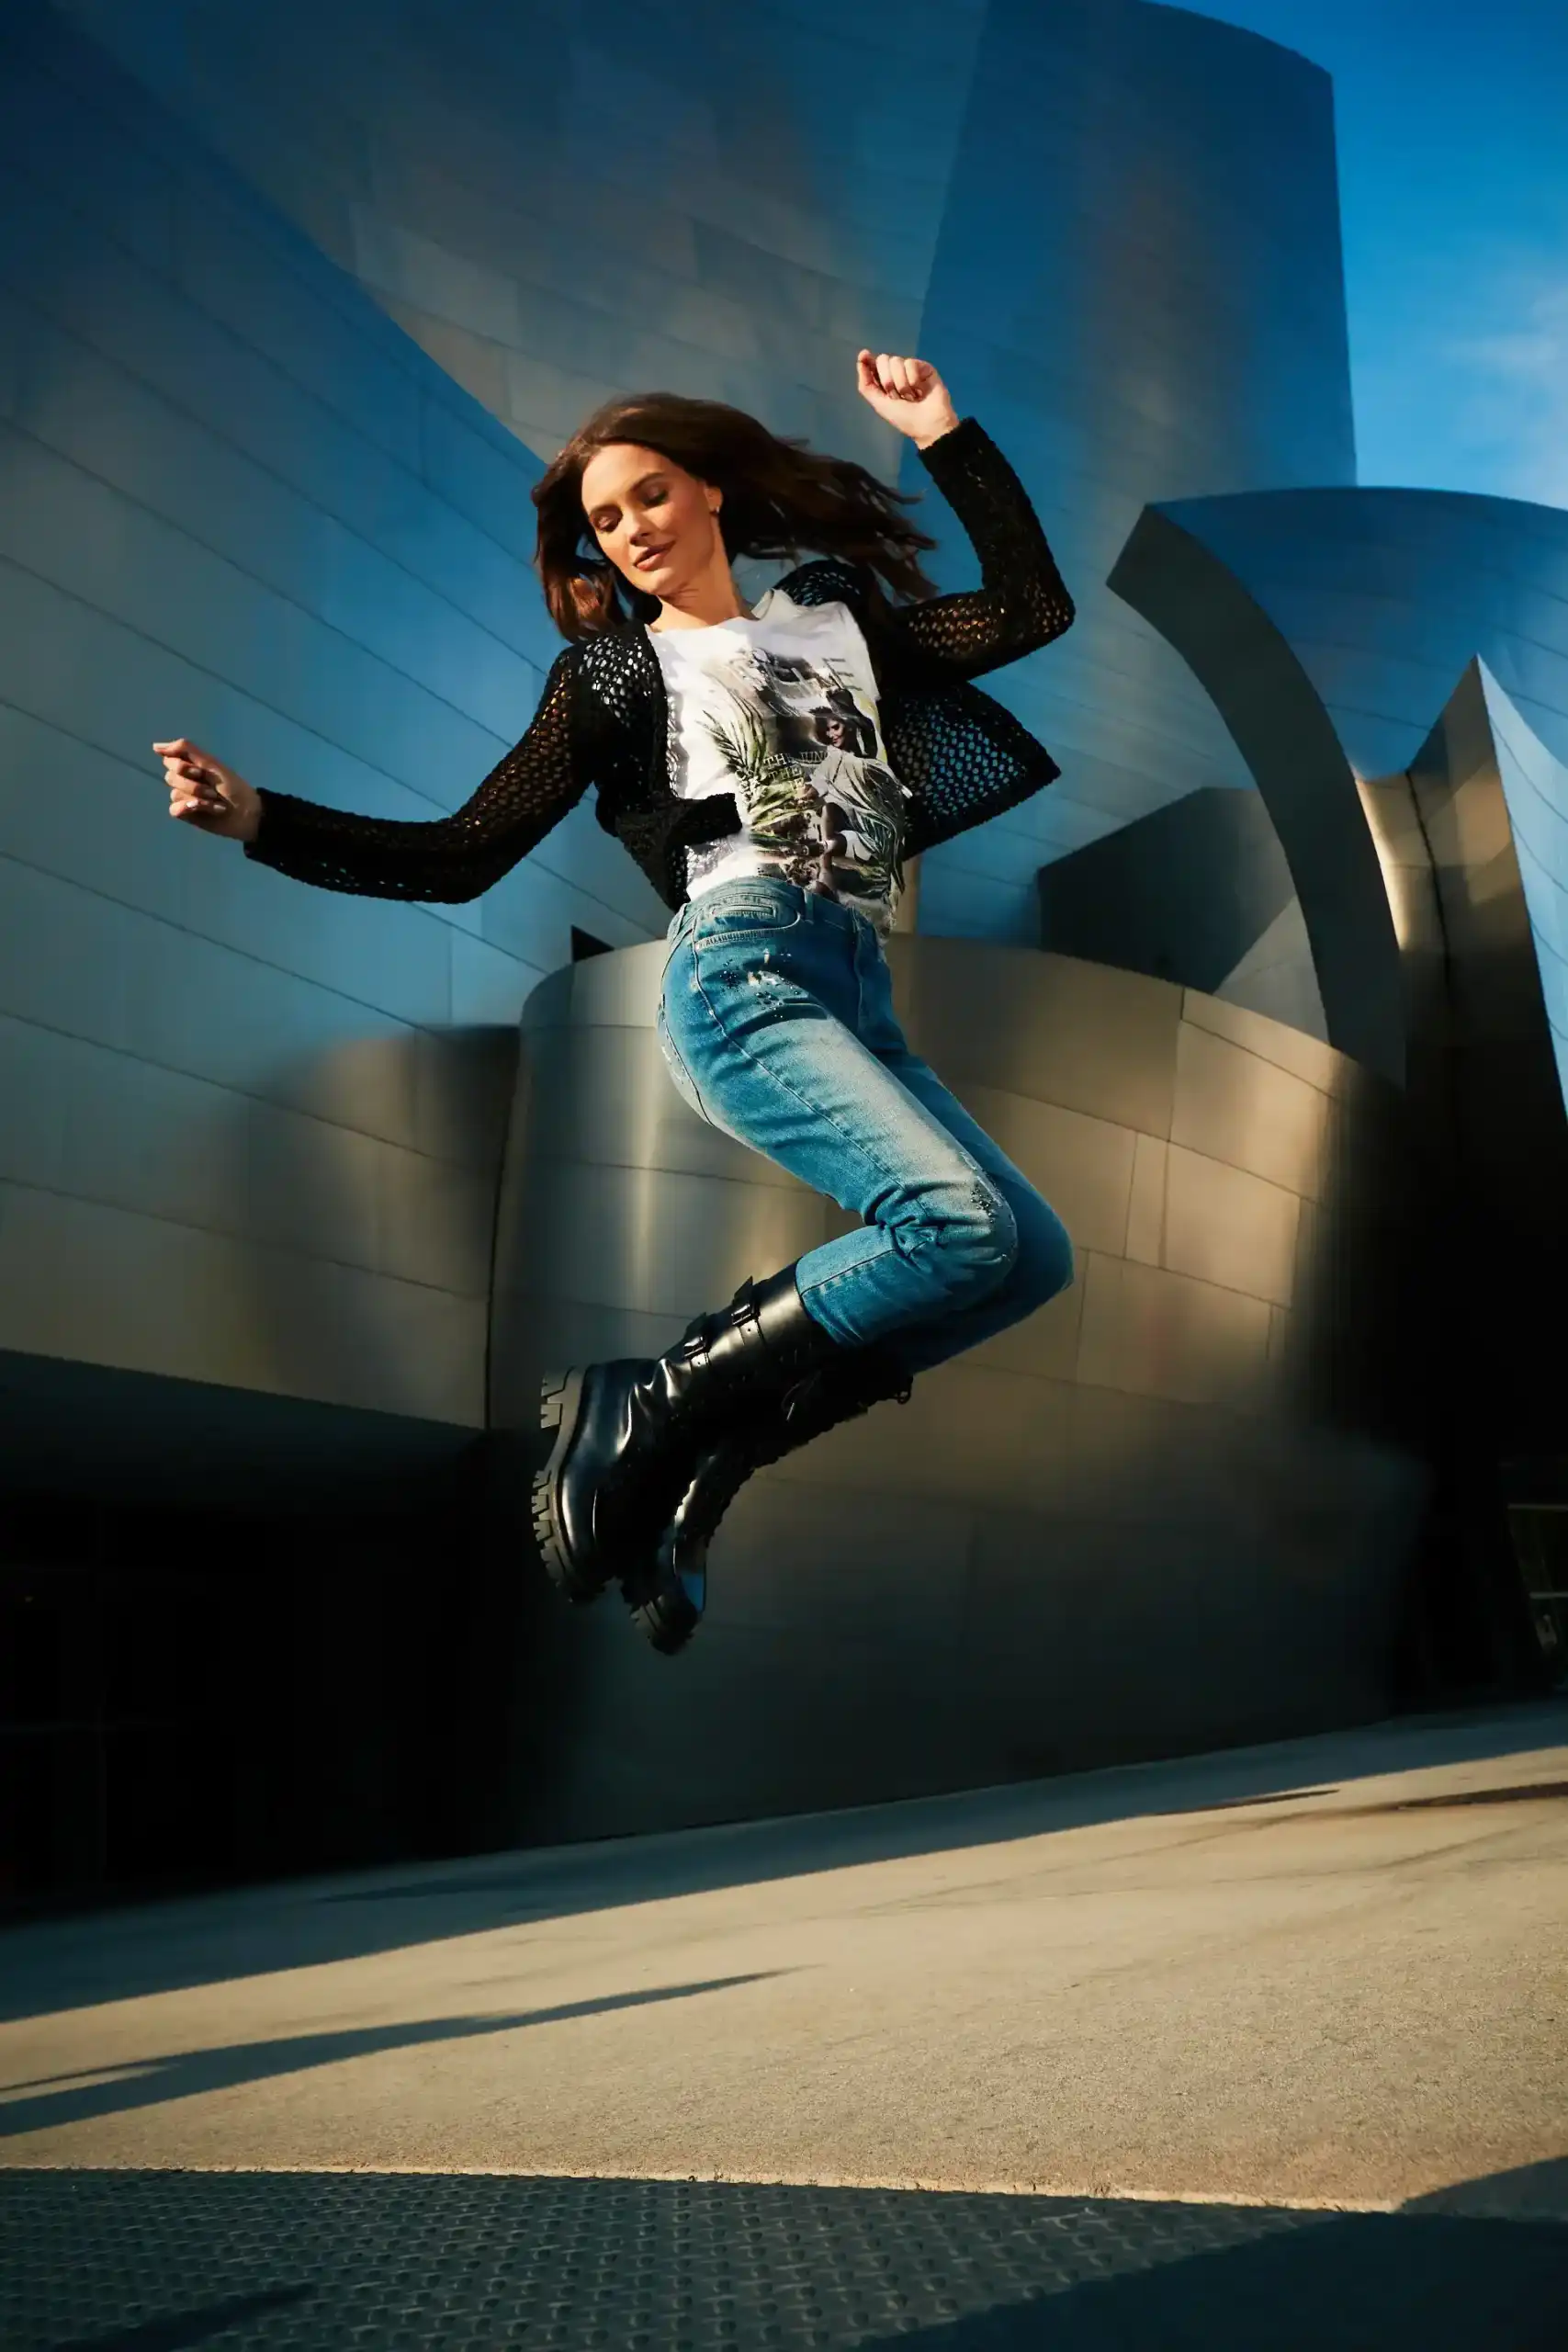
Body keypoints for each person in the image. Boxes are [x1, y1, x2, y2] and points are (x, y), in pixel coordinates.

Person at [153, 349, 1077, 1655]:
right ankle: (656, 1396)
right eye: (604, 518)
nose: (631, 528)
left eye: (648, 496)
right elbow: (465, 849)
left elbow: (1032, 610)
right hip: (740, 971)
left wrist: (941, 431)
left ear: (705, 492)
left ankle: (706, 1457)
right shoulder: (611, 677)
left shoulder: (835, 623)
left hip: (852, 984)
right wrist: (261, 820)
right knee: (957, 1224)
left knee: (1028, 1258)